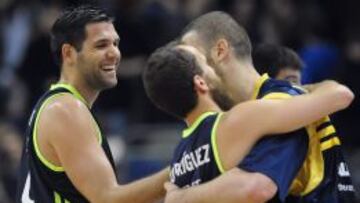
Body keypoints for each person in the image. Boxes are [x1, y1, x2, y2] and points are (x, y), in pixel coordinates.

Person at [174, 11, 356, 202]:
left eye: (193, 61)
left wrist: (181, 197)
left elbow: (255, 188)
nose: (187, 73)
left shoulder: (280, 104)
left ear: (220, 51)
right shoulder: (257, 110)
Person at [16, 6, 170, 203]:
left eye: (116, 43)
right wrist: (181, 170)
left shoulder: (58, 105)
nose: (114, 53)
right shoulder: (65, 110)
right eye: (101, 45)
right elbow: (107, 199)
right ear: (69, 53)